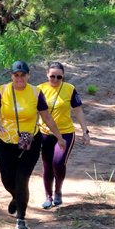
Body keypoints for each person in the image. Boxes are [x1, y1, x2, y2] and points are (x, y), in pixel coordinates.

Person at [0, 60, 66, 229]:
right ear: (12, 76)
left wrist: (59, 137)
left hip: (30, 142)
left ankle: (21, 218)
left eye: (23, 75)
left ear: (28, 75)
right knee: (7, 180)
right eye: (16, 75)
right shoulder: (2, 91)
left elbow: (47, 118)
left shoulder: (36, 93)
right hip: (5, 142)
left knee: (22, 179)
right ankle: (16, 196)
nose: (20, 78)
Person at [37, 62, 90, 208]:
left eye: (59, 77)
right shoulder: (39, 89)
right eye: (52, 76)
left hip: (65, 133)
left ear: (63, 76)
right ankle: (48, 196)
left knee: (58, 162)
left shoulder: (69, 89)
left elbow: (78, 110)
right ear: (47, 74)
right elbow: (32, 111)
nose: (55, 79)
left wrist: (85, 131)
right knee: (47, 165)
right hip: (45, 133)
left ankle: (58, 190)